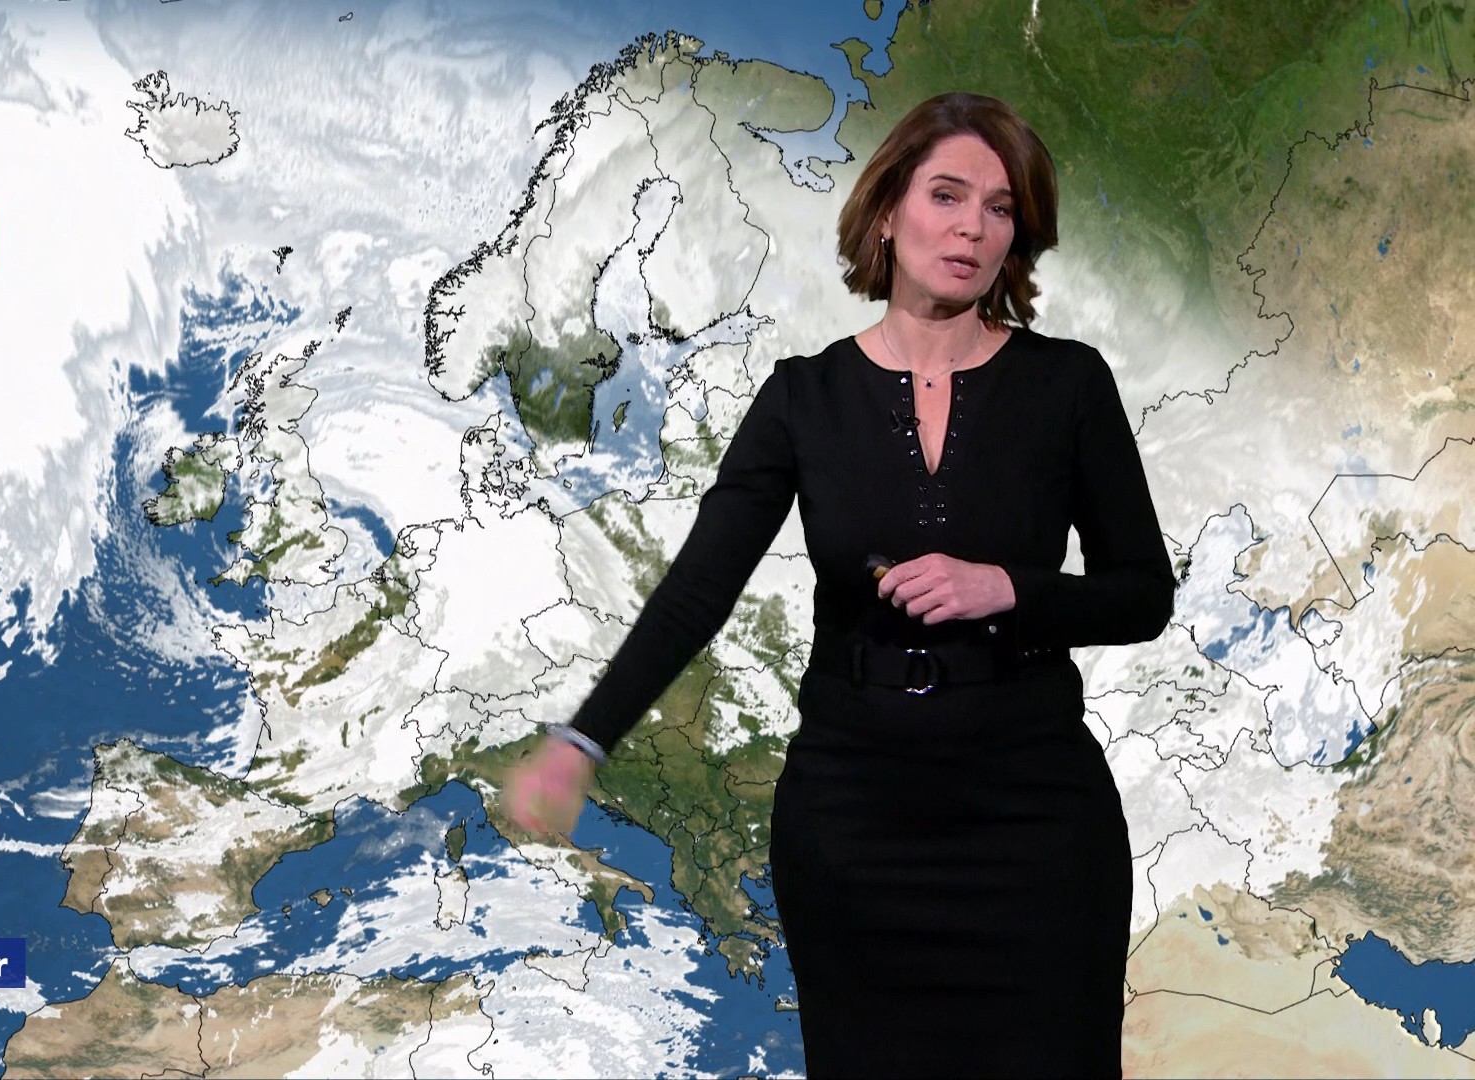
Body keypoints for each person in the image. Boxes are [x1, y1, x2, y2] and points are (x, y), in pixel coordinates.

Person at [501, 91, 1176, 1077]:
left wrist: (1010, 589)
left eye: (1000, 209)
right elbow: (698, 590)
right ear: (888, 209)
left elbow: (1143, 594)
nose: (973, 227)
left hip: (1035, 821)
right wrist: (582, 742)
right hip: (855, 825)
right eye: (947, 195)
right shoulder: (802, 398)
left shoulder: (1068, 385)